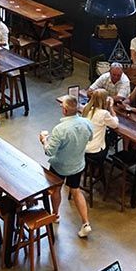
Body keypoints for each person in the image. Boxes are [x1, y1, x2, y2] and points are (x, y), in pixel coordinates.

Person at [40, 95, 94, 238]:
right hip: (78, 164)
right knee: (76, 191)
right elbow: (90, 138)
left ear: (64, 110)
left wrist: (44, 140)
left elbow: (49, 151)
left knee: (56, 189)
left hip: (60, 166)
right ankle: (85, 223)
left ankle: (55, 214)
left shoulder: (60, 129)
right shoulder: (86, 123)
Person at [82, 89, 118, 221]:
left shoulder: (86, 109)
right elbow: (115, 124)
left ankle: (92, 169)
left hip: (83, 149)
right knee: (110, 139)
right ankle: (98, 169)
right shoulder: (104, 114)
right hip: (95, 152)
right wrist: (111, 108)